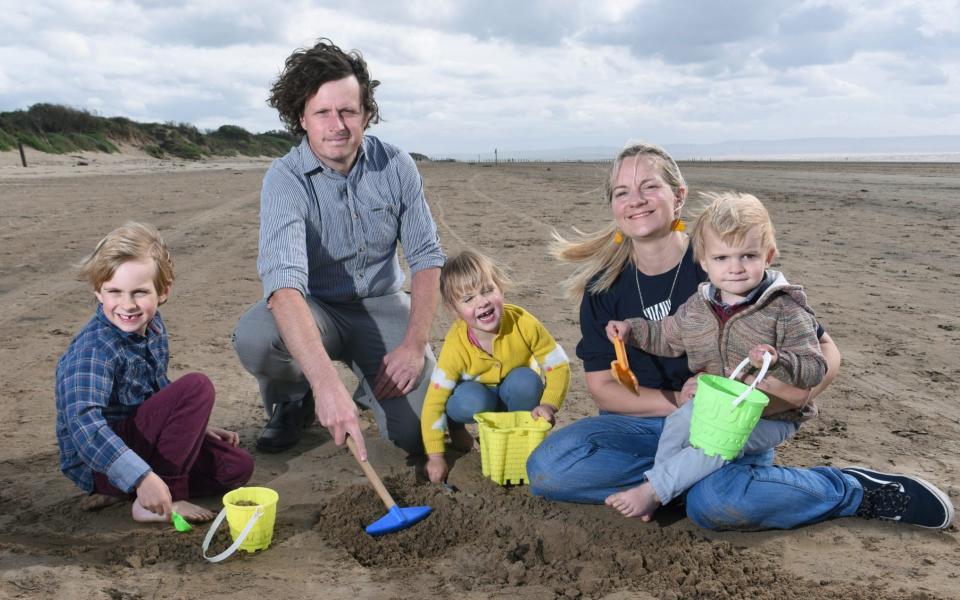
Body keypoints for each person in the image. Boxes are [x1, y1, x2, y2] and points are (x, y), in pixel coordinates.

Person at [526, 142, 954, 531]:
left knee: (718, 505)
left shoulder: (724, 261)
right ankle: (677, 482)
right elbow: (604, 389)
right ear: (614, 206)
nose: (635, 199)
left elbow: (826, 352)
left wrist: (787, 399)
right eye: (622, 191)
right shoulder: (605, 287)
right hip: (648, 430)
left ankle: (848, 488)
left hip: (729, 427)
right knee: (551, 467)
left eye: (648, 186)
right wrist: (678, 400)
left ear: (679, 196)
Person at [232, 38, 444, 459]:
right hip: (315, 309)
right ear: (302, 119)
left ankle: (373, 385)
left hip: (383, 303)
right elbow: (283, 287)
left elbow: (426, 258)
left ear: (366, 113)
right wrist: (326, 386)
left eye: (348, 111)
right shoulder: (285, 179)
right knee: (256, 338)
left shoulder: (397, 165)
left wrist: (413, 345)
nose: (338, 125)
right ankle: (294, 397)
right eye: (322, 113)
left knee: (420, 435)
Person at [604, 191, 826, 520]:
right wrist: (632, 331)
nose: (734, 268)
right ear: (704, 262)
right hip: (715, 401)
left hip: (769, 416)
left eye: (747, 256)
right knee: (678, 423)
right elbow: (667, 335)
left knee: (717, 439)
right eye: (721, 258)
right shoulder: (699, 306)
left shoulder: (785, 309)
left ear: (769, 254)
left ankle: (653, 490)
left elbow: (814, 368)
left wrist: (780, 360)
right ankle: (667, 485)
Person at [56, 222, 253, 524]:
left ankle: (129, 491)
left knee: (234, 467)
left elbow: (156, 393)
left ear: (163, 292)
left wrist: (194, 426)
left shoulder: (154, 327)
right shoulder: (94, 349)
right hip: (98, 460)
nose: (127, 305)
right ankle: (162, 498)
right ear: (98, 292)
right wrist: (142, 477)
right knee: (197, 387)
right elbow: (85, 426)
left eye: (140, 292)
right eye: (114, 292)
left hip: (140, 439)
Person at [421, 250, 571, 483]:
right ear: (454, 310)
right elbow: (434, 401)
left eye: (487, 290)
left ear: (500, 287)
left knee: (527, 381)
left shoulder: (523, 323)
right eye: (468, 299)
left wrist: (549, 405)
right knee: (474, 400)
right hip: (475, 396)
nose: (482, 302)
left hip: (514, 391)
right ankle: (457, 425)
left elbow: (558, 365)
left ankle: (516, 439)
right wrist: (436, 456)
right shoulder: (455, 345)